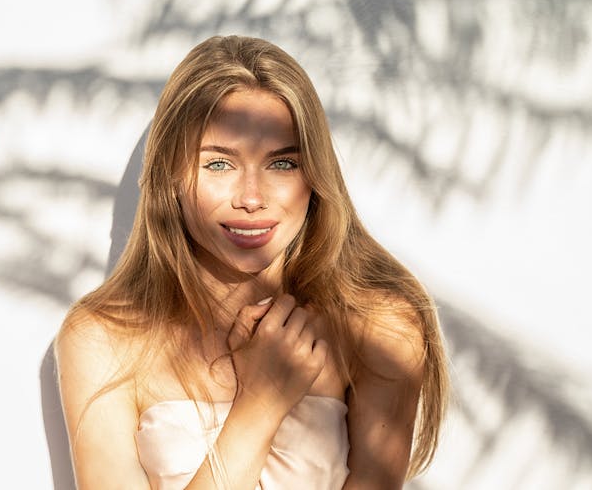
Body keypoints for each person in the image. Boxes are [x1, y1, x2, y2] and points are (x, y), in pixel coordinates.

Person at [55, 35, 449, 490]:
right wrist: (260, 403)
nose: (252, 199)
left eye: (282, 165)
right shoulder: (103, 336)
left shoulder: (376, 325)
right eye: (219, 165)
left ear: (316, 174)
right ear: (171, 175)